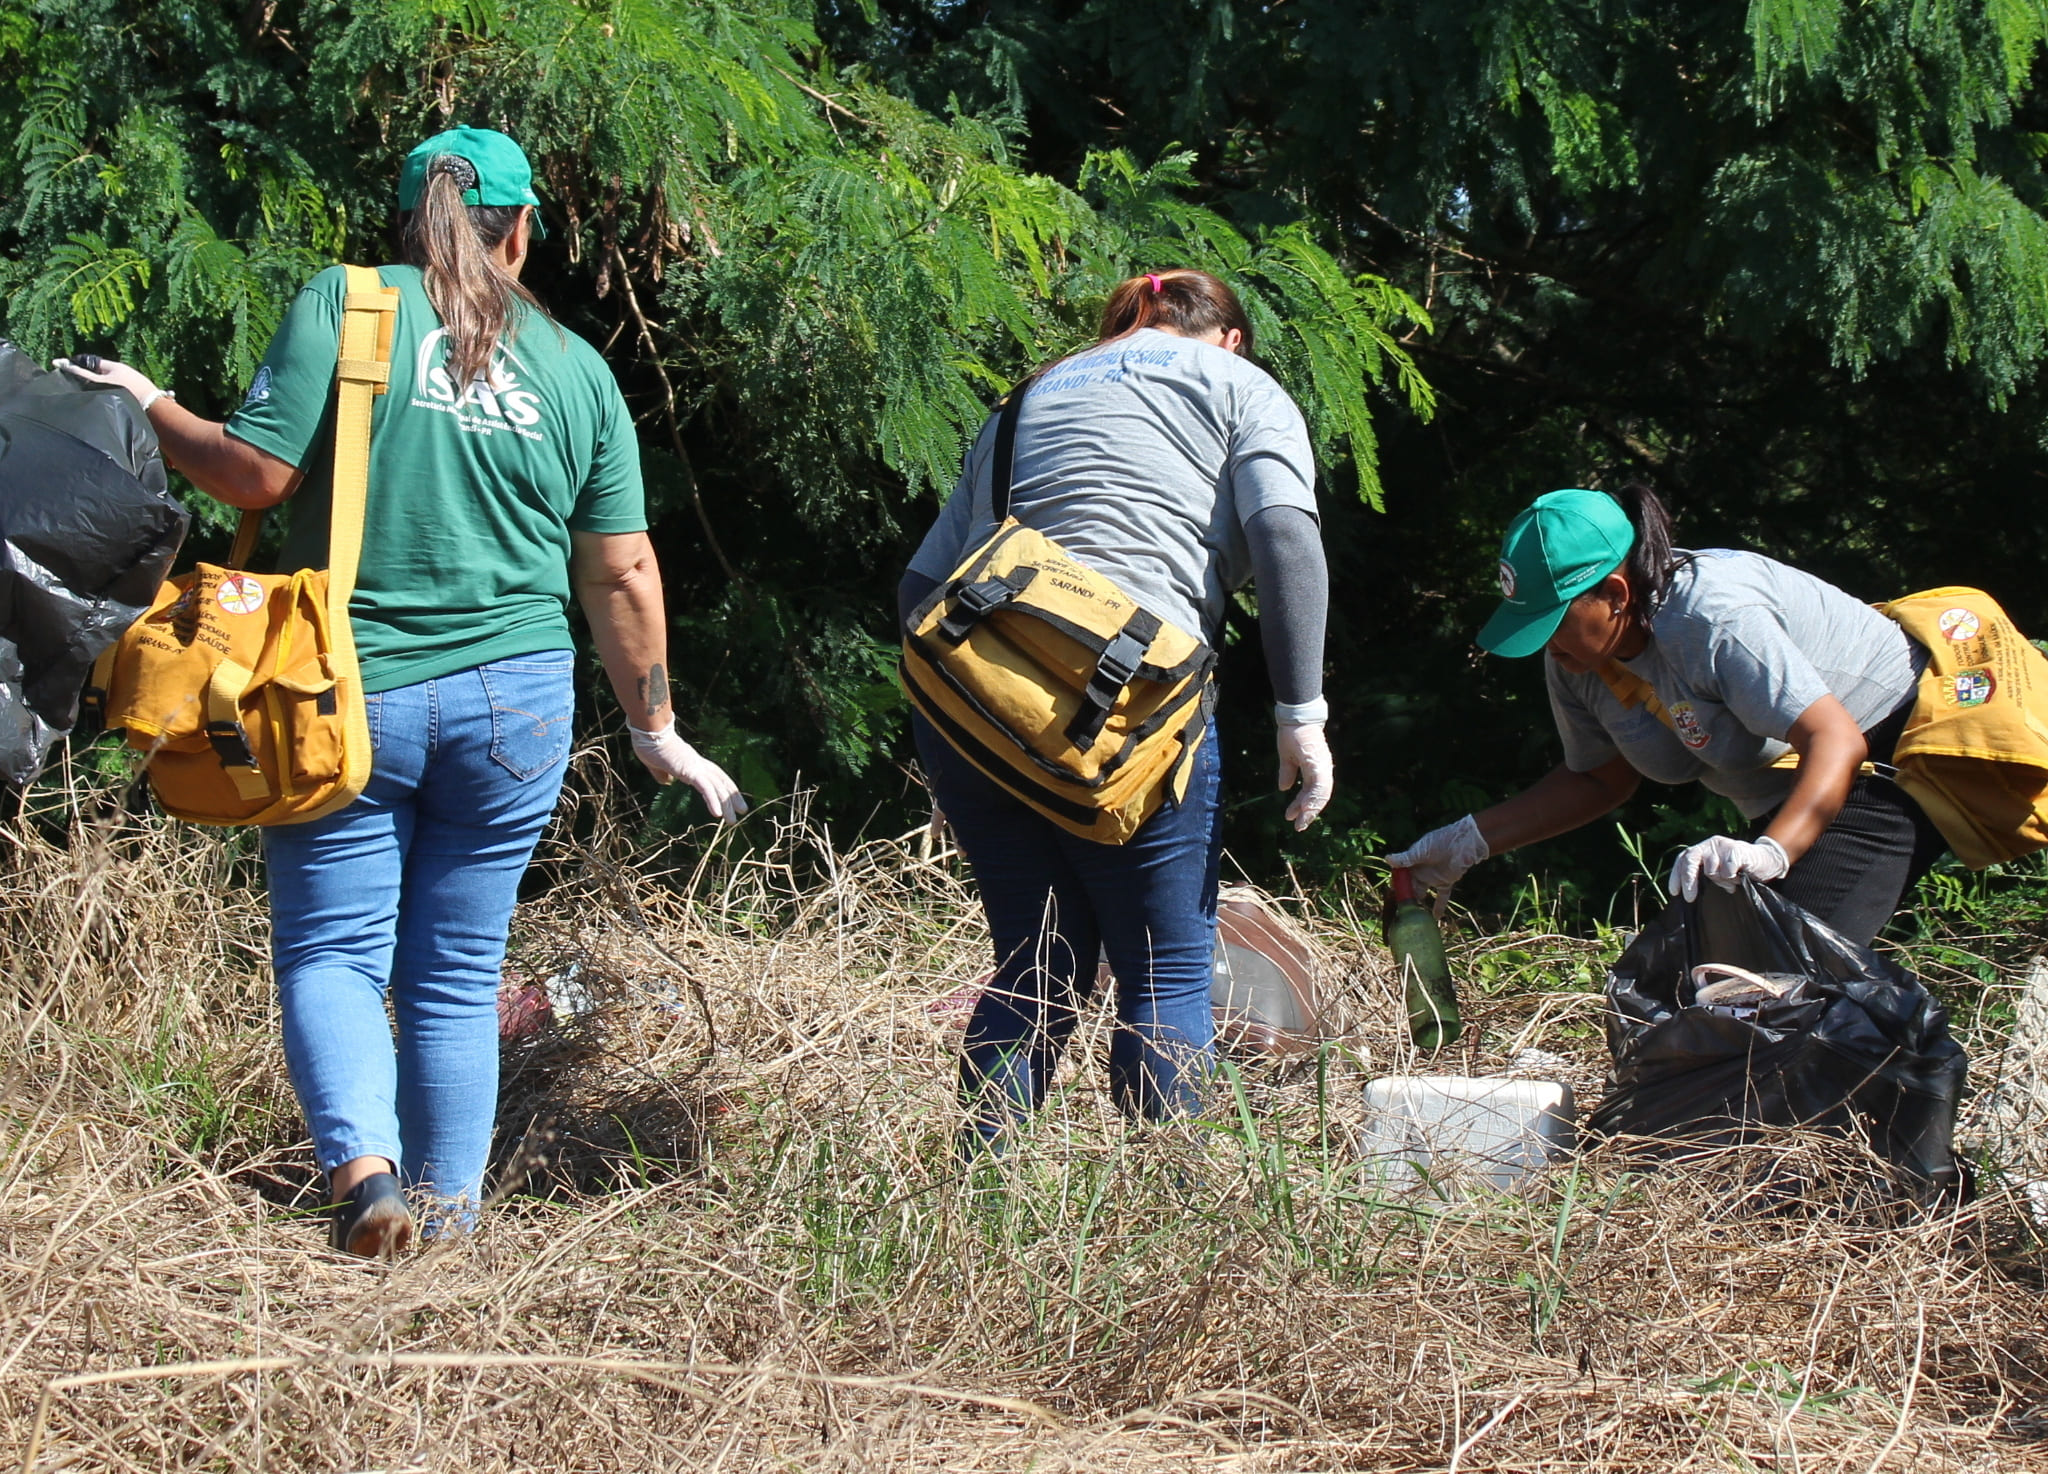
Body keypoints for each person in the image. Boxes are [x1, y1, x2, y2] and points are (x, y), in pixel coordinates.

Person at [60, 127, 745, 1256]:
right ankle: (450, 1223)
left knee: (334, 951)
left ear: (405, 219)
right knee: (458, 968)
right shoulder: (577, 370)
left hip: (348, 690)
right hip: (520, 703)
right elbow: (621, 568)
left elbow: (253, 472)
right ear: (521, 233)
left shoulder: (348, 302)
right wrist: (655, 727)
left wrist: (150, 404)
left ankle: (366, 1176)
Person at [900, 268, 1334, 1148]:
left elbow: (918, 584)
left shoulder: (1029, 396)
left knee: (1036, 963)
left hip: (981, 697)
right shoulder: (1241, 387)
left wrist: (962, 741)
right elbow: (1287, 536)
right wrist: (1301, 713)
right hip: (1135, 711)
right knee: (1164, 969)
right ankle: (1170, 1226)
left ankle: (977, 1204)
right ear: (1230, 337)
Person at [1390, 484, 1946, 948]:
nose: (1547, 646)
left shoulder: (1709, 617)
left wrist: (1771, 853)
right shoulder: (1578, 661)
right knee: (1671, 985)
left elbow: (1835, 738)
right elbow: (1597, 777)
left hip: (1881, 766)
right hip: (1794, 801)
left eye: (1555, 621)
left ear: (1614, 594)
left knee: (1771, 991)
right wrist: (1470, 840)